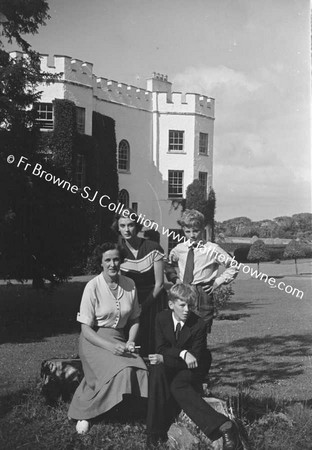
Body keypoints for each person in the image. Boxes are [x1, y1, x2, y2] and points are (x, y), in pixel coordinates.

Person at [146, 283, 243, 449]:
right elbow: (161, 348)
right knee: (157, 371)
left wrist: (168, 357)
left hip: (195, 366)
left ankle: (225, 427)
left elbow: (194, 359)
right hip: (176, 361)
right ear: (171, 305)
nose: (186, 310)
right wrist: (182, 353)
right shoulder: (161, 318)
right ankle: (154, 433)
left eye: (190, 306)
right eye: (182, 305)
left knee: (177, 385)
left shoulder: (198, 324)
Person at [68, 242, 148, 434]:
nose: (112, 264)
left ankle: (126, 411)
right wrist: (109, 347)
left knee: (140, 368)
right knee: (120, 369)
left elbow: (136, 318)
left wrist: (130, 341)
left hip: (120, 339)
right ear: (101, 263)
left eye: (116, 259)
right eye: (108, 260)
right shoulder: (92, 286)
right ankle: (85, 413)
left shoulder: (130, 284)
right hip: (94, 340)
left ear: (121, 261)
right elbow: (85, 329)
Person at [166, 209, 239, 333]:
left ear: (202, 228)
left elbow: (233, 266)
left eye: (196, 231)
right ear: (183, 230)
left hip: (202, 293)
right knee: (182, 331)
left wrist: (217, 282)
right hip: (184, 291)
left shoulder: (212, 249)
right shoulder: (180, 249)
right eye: (187, 231)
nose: (192, 235)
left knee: (201, 331)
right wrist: (175, 279)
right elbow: (168, 265)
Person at [112, 209, 167, 356]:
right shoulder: (117, 251)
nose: (126, 230)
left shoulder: (153, 247)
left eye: (130, 225)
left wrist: (144, 305)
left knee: (156, 339)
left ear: (137, 226)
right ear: (117, 227)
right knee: (133, 340)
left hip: (155, 299)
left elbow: (159, 284)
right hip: (131, 300)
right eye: (122, 226)